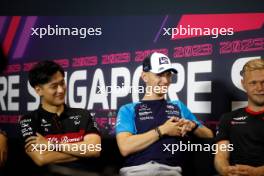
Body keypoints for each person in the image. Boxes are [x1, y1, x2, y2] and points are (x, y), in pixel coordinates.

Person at [116, 52, 213, 176]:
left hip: (170, 171)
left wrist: (192, 126)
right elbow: (125, 147)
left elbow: (209, 135)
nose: (166, 80)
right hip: (135, 171)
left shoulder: (177, 106)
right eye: (159, 75)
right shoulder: (128, 109)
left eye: (168, 75)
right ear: (145, 77)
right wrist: (163, 130)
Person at [19, 60, 101, 167]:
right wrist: (83, 152)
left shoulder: (83, 114)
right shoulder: (29, 120)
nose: (61, 90)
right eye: (54, 86)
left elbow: (94, 150)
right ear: (39, 90)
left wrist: (51, 145)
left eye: (62, 83)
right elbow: (42, 158)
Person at [214, 59, 264, 176]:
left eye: (263, 82)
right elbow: (221, 156)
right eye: (253, 83)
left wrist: (256, 172)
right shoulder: (228, 118)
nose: (260, 88)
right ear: (243, 84)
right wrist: (225, 170)